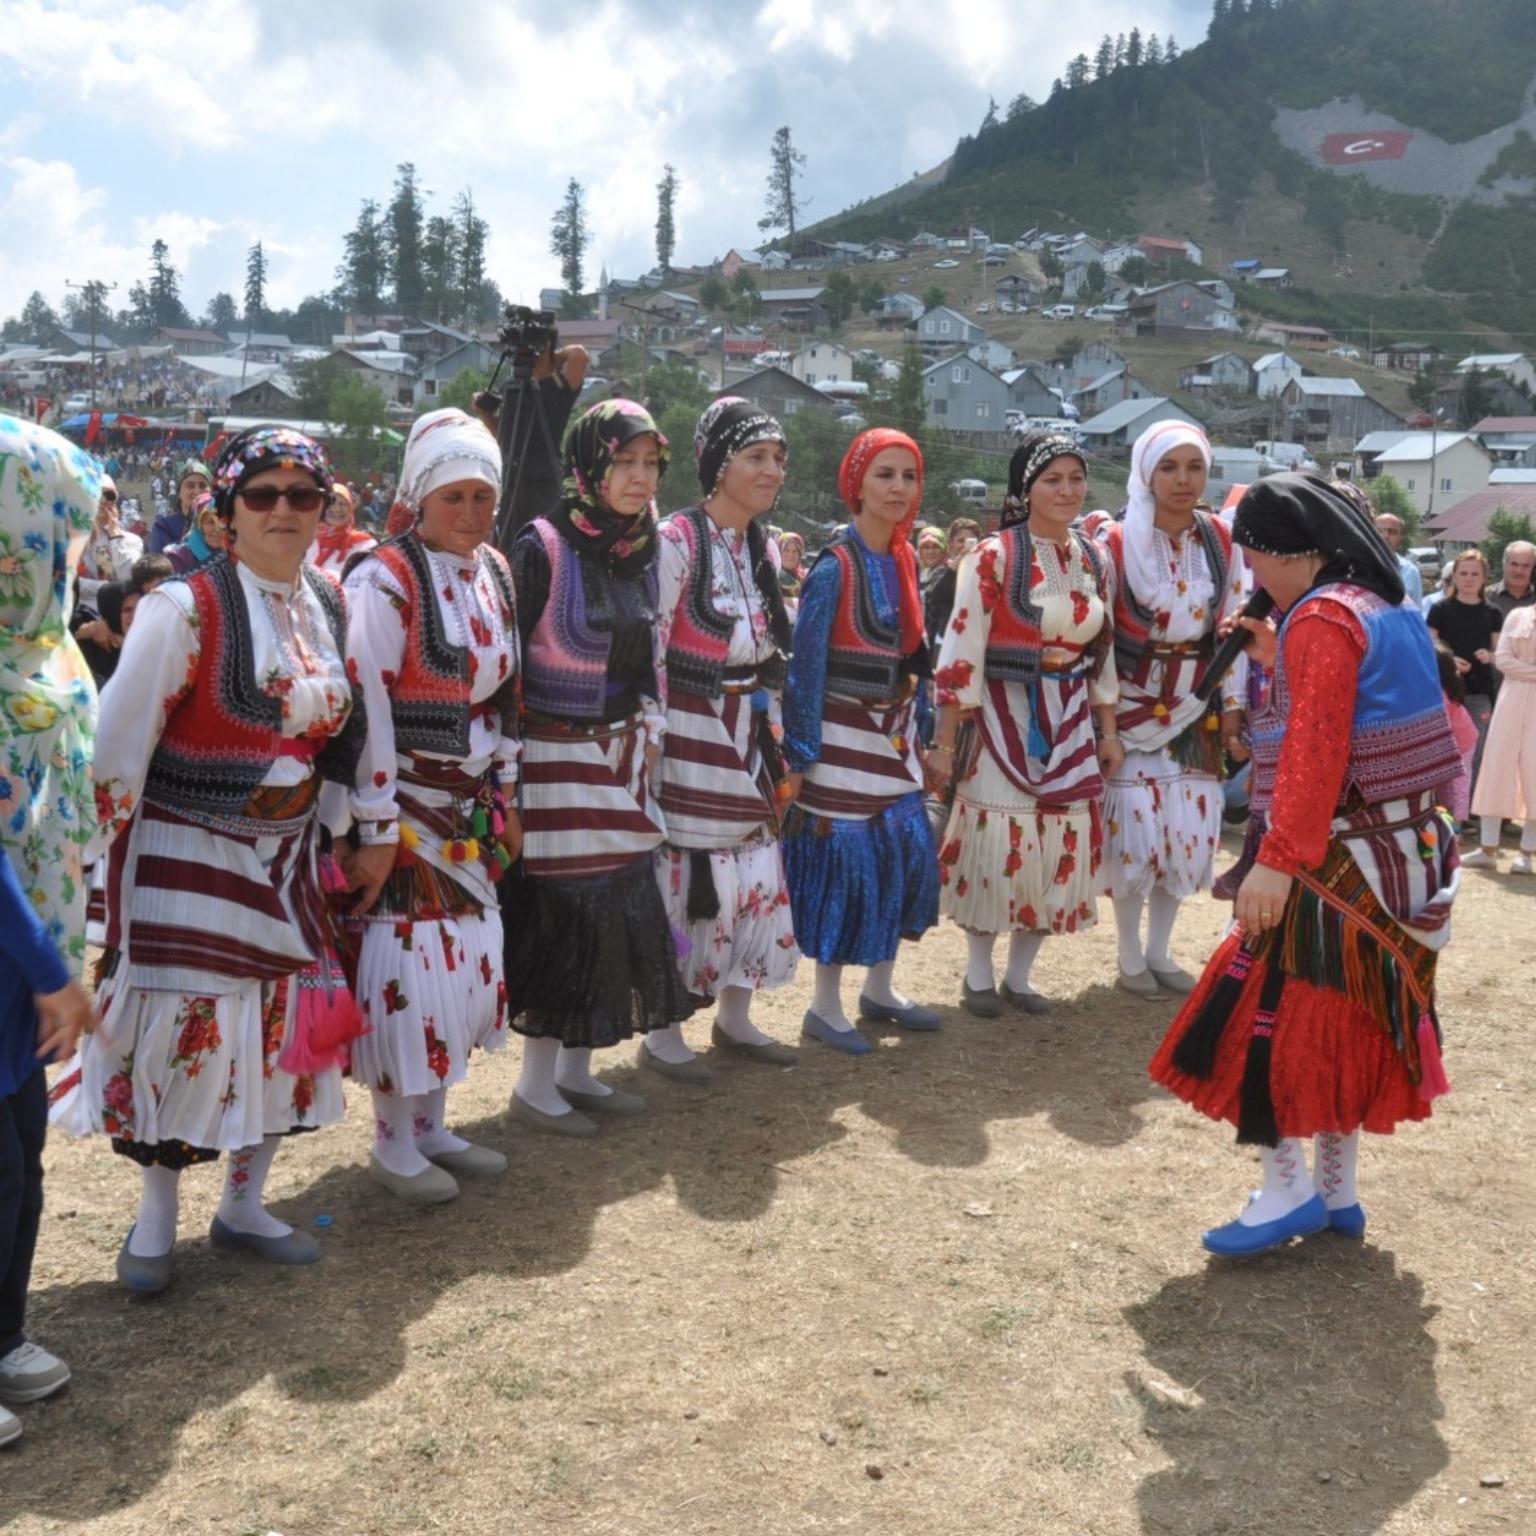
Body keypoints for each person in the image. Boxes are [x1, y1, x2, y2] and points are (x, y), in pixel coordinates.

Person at [51, 426, 365, 1292]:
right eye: (262, 495)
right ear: (224, 512)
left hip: (291, 852)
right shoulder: (182, 608)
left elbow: (344, 735)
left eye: (303, 496)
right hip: (188, 843)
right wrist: (90, 873)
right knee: (182, 1038)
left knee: (279, 1033)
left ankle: (243, 1205)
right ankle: (154, 1223)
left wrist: (341, 828)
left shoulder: (330, 602)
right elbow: (118, 746)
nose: (284, 512)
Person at [1149, 474, 1463, 1256]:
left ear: (1286, 551)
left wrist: (1276, 862)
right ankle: (1336, 1191)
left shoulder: (1321, 619)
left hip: (1339, 855)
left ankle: (1287, 1188)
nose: (1252, 576)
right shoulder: (1384, 608)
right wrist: (1279, 648)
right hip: (1411, 848)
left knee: (1270, 1014)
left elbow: (1315, 752)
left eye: (1254, 558)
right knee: (1350, 1023)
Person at [340, 408, 520, 1202]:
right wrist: (375, 825)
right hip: (407, 802)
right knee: (411, 964)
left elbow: (508, 693)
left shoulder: (496, 572)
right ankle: (391, 1137)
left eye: (485, 496)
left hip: (472, 802)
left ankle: (434, 1122)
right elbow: (366, 708)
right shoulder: (384, 579)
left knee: (470, 964)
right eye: (456, 497)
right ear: (420, 494)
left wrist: (504, 784)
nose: (473, 514)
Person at [501, 400, 689, 1134]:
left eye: (650, 464)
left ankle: (579, 1071)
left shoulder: (642, 547)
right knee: (565, 915)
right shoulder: (541, 545)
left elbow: (653, 655)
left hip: (622, 752)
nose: (639, 478)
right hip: (554, 758)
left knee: (615, 911)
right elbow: (509, 665)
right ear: (588, 464)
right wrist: (508, 774)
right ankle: (535, 1083)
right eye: (623, 461)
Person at [930, 433, 1119, 1015]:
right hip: (1001, 715)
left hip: (1069, 718)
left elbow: (1104, 652)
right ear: (1026, 488)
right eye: (1051, 480)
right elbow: (962, 648)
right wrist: (944, 740)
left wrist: (1107, 728)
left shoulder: (1094, 557)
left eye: (1074, 479)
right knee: (998, 840)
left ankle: (1020, 975)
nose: (1066, 490)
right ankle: (979, 974)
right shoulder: (993, 556)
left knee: (1058, 839)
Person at [645, 399, 801, 1083]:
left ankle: (736, 1015)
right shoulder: (677, 540)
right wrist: (652, 742)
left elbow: (768, 648)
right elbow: (651, 647)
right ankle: (665, 1026)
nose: (771, 471)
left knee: (756, 872)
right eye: (756, 457)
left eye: (778, 460)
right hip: (692, 728)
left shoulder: (763, 547)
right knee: (693, 877)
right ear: (717, 465)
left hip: (752, 727)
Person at [0, 417, 99, 1444]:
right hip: (18, 957)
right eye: (53, 534)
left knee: (21, 1163)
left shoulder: (43, 653)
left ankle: (7, 1335)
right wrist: (48, 968)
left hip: (29, 969)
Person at [780, 428, 941, 1053]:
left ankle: (879, 988)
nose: (898, 488)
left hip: (894, 736)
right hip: (842, 739)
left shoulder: (902, 560)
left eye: (908, 476)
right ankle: (824, 1006)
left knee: (904, 851)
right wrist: (802, 756)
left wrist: (918, 735)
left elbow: (913, 660)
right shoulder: (834, 567)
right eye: (885, 475)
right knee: (848, 865)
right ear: (857, 484)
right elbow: (806, 669)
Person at [1100, 420, 1248, 998]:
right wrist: (1107, 720)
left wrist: (1231, 707)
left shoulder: (1220, 539)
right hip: (1134, 699)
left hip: (1197, 705)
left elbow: (1234, 626)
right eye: (1169, 467)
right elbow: (1103, 637)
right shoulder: (1115, 541)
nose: (1183, 480)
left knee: (1185, 831)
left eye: (1194, 468)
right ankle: (1130, 952)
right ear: (1146, 472)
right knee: (1136, 830)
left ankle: (1161, 949)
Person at [1466, 603, 1536, 871]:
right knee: (1496, 767)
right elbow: (1504, 660)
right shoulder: (1518, 616)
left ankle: (1527, 853)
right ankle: (1488, 848)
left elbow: (1508, 662)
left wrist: (1522, 669)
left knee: (1534, 771)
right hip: (1510, 701)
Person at [1427, 550, 1503, 781]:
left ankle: (1470, 808)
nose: (1468, 578)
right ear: (1454, 576)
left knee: (1477, 748)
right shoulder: (1440, 609)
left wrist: (1489, 656)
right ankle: (1442, 805)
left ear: (1484, 578)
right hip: (1446, 691)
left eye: (1474, 573)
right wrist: (1449, 660)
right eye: (1463, 573)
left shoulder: (1493, 612)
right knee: (1443, 748)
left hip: (1480, 690)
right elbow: (1427, 647)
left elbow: (1500, 653)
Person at [77, 472, 143, 607]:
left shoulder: (131, 540)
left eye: (109, 496)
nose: (102, 500)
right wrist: (107, 588)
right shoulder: (70, 539)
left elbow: (129, 576)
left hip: (116, 614)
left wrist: (115, 536)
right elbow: (67, 582)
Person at [308, 481, 376, 577]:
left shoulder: (365, 545)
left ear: (350, 508)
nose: (337, 509)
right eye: (331, 503)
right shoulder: (307, 541)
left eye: (342, 504)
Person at [146, 457, 210, 553]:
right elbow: (160, 563)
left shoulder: (222, 524)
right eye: (190, 485)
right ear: (179, 492)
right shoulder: (164, 526)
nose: (197, 491)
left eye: (202, 485)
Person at [163, 491, 226, 574]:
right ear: (199, 525)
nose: (217, 529)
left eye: (224, 522)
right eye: (210, 522)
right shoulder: (179, 558)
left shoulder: (241, 557)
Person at [1371, 512, 1423, 606]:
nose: (1385, 536)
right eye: (1380, 530)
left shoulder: (1410, 571)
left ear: (1401, 538)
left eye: (1393, 532)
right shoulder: (1358, 566)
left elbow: (1415, 612)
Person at [1487, 539, 1535, 619]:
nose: (1519, 571)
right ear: (1504, 564)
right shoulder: (1485, 597)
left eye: (1526, 566)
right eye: (1514, 564)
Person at [777, 527, 807, 621]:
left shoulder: (806, 577)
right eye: (786, 550)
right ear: (778, 552)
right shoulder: (771, 576)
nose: (791, 555)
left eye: (795, 551)